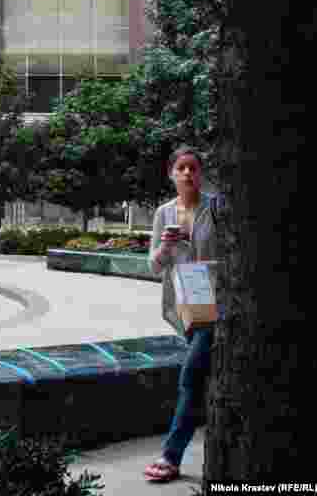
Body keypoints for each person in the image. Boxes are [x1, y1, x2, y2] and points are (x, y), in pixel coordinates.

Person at [143, 146, 220, 483]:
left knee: (190, 377)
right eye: (182, 168)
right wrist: (166, 246)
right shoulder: (164, 213)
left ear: (201, 174)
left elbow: (232, 255)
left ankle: (171, 455)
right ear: (172, 174)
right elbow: (154, 265)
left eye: (194, 168)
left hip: (216, 305)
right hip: (184, 308)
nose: (188, 173)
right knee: (200, 378)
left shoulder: (216, 208)